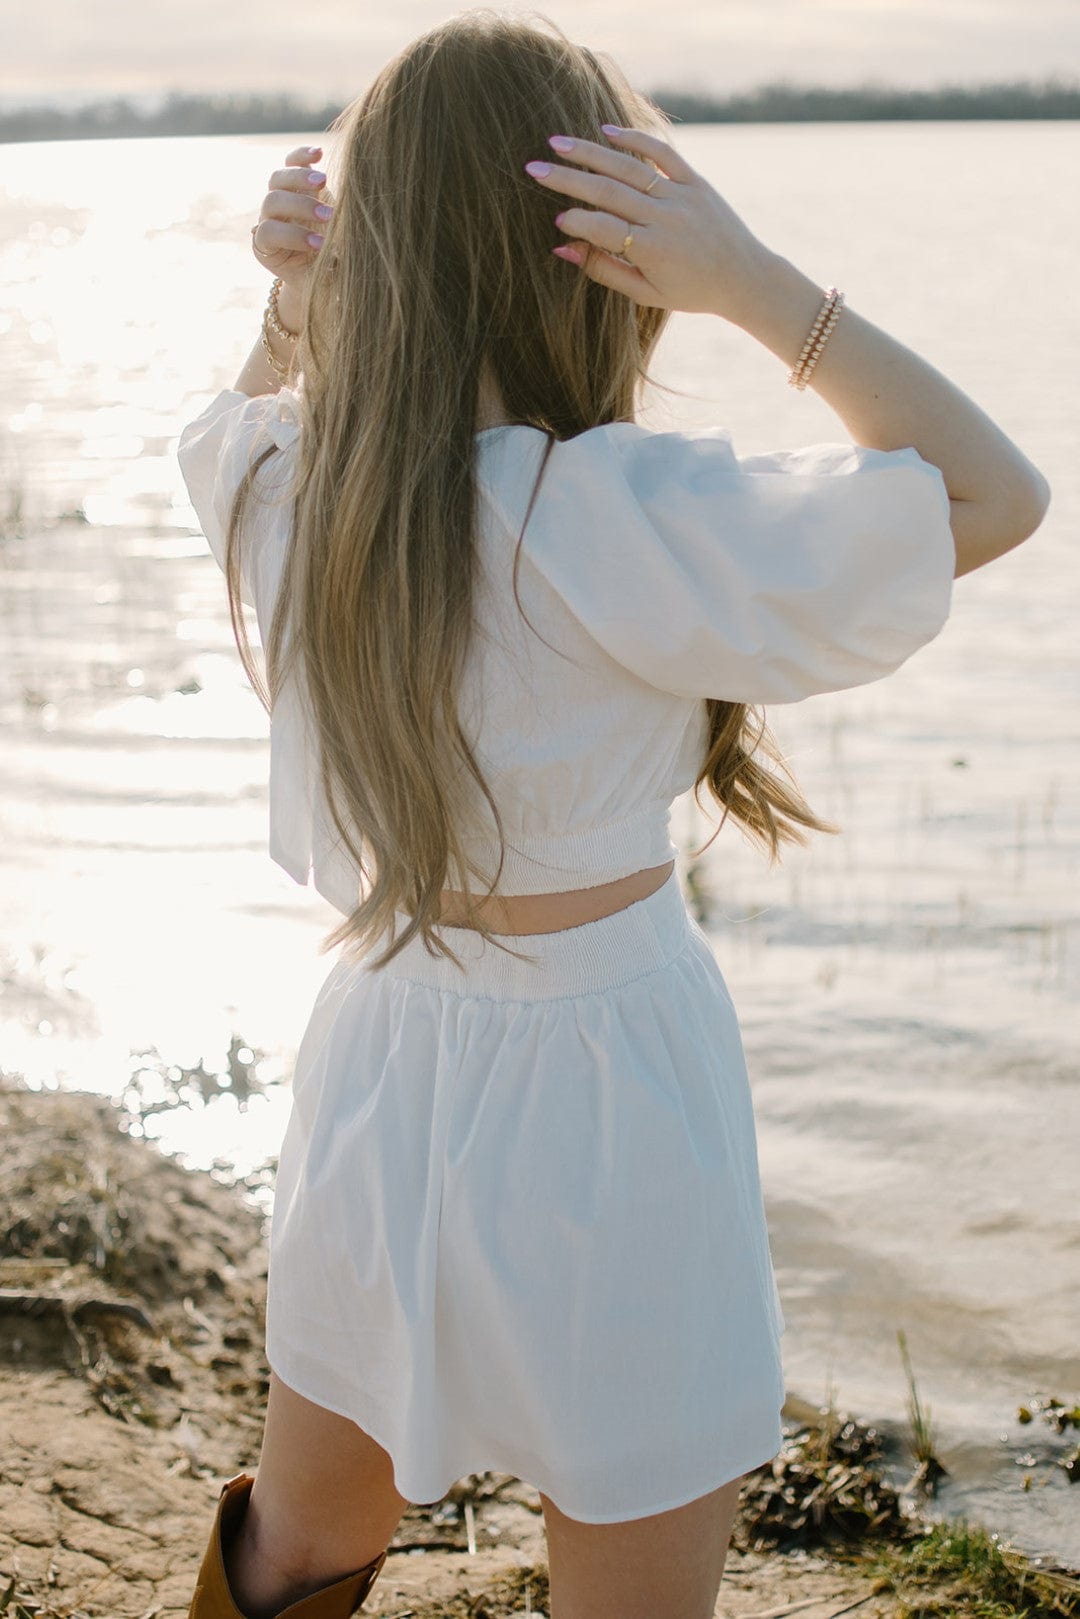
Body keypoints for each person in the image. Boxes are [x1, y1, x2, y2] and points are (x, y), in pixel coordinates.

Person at [176, 12, 1050, 1619]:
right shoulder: (623, 517)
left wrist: (289, 314)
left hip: (381, 1050)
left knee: (302, 1539)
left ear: (367, 250)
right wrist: (757, 284)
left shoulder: (288, 493)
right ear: (596, 254)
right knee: (633, 1574)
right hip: (609, 1080)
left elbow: (236, 427)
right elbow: (994, 493)